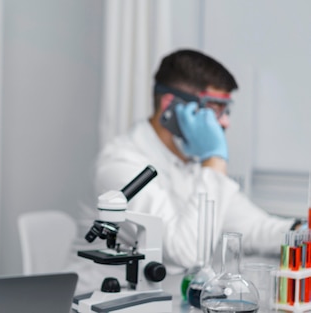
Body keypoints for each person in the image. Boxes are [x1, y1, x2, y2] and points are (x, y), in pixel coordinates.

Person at [67, 49, 300, 294]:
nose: (225, 123)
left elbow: (255, 228)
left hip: (160, 301)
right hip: (97, 301)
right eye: (215, 108)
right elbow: (186, 254)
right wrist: (215, 157)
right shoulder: (120, 164)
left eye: (226, 110)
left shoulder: (193, 166)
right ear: (171, 107)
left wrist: (300, 233)